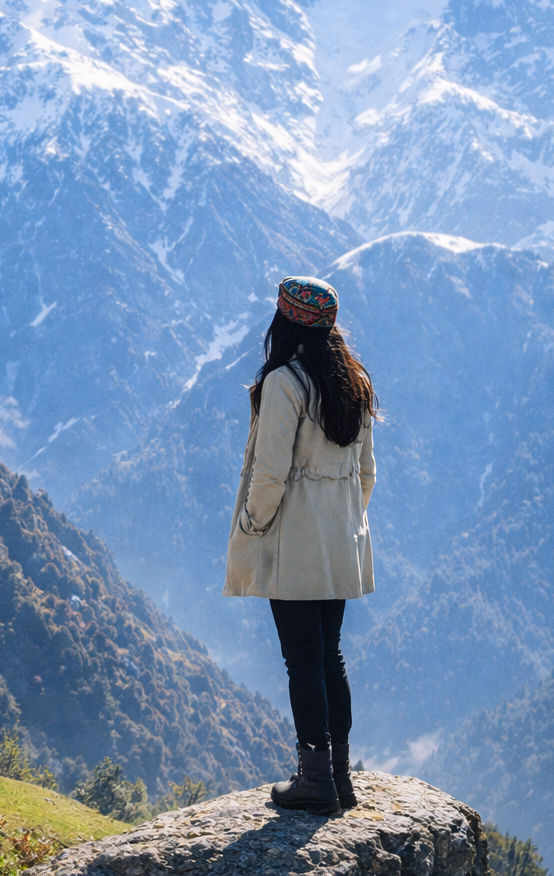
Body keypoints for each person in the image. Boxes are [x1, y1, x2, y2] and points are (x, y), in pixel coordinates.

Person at [224, 275, 377, 816]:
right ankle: (339, 776)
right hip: (340, 541)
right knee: (329, 655)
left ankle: (314, 781)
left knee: (302, 660)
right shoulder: (354, 383)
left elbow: (270, 473)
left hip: (296, 540)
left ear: (284, 321)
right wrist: (343, 521)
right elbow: (366, 475)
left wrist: (252, 524)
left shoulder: (285, 383)